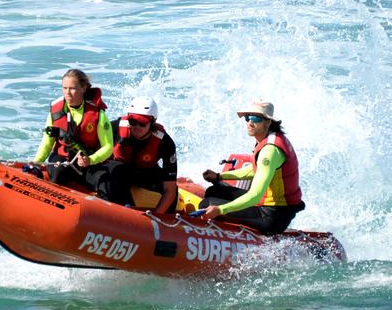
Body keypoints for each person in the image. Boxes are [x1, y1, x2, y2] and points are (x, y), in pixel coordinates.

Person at [199, 101, 305, 234]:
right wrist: (220, 176)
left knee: (206, 204)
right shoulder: (270, 138)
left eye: (256, 118)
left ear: (268, 122)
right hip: (267, 204)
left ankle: (224, 239)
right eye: (247, 118)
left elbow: (255, 196)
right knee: (214, 191)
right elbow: (255, 169)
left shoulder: (270, 150)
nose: (250, 122)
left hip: (272, 216)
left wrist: (220, 210)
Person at [29, 69, 116, 199]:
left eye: (73, 88)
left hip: (88, 162)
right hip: (62, 159)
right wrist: (37, 162)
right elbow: (47, 142)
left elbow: (108, 147)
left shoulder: (98, 114)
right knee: (58, 173)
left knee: (104, 182)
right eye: (64, 88)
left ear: (84, 88)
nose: (67, 93)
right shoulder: (55, 111)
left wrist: (90, 160)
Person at [107, 96, 178, 213]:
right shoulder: (114, 128)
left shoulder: (165, 143)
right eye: (133, 122)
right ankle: (123, 210)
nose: (137, 127)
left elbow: (169, 190)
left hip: (146, 172)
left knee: (174, 194)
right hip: (118, 170)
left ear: (152, 122)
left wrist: (157, 216)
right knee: (116, 171)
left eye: (142, 123)